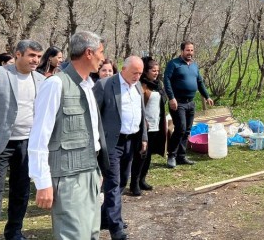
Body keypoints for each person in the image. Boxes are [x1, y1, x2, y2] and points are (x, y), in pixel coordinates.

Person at [28, 31, 108, 240]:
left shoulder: (88, 86)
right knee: (73, 235)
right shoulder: (55, 85)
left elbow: (92, 134)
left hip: (90, 172)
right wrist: (42, 182)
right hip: (68, 178)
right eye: (101, 52)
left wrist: (96, 170)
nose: (103, 57)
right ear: (89, 53)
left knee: (91, 233)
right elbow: (38, 138)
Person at [0, 40, 44, 240]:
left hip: (27, 143)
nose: (36, 60)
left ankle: (14, 232)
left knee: (21, 191)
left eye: (38, 57)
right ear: (18, 54)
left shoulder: (40, 80)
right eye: (31, 55)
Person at [94, 56, 147, 239]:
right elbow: (94, 115)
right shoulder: (105, 85)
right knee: (113, 184)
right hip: (112, 143)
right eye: (134, 73)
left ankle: (103, 217)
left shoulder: (138, 86)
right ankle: (116, 229)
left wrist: (144, 137)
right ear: (123, 69)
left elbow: (142, 113)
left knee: (123, 180)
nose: (138, 76)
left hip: (132, 141)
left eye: (140, 73)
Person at [164, 41, 214, 168]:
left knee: (186, 130)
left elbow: (199, 82)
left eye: (192, 50)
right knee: (180, 128)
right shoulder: (173, 64)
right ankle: (171, 156)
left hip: (190, 102)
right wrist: (171, 98)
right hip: (177, 102)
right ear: (182, 51)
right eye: (187, 50)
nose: (190, 53)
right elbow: (167, 80)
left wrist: (207, 96)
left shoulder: (194, 66)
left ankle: (181, 156)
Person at [130, 57, 168, 196]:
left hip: (156, 124)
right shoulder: (141, 86)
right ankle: (134, 182)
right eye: (153, 70)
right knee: (140, 155)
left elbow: (162, 101)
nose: (156, 73)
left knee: (148, 156)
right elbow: (138, 106)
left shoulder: (158, 85)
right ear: (145, 72)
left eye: (157, 70)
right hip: (144, 126)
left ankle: (142, 180)